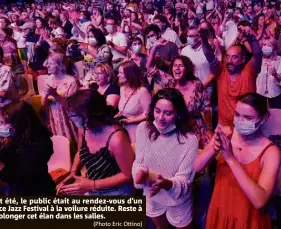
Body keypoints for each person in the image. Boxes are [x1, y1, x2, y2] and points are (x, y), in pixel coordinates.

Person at [195, 93, 281, 229]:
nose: (240, 121)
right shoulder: (226, 133)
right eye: (237, 115)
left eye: (248, 118)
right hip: (220, 209)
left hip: (248, 218)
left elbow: (260, 200)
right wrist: (213, 149)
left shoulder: (271, 152)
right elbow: (197, 167)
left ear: (263, 119)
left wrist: (230, 158)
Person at [132, 88, 198, 229]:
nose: (160, 118)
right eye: (157, 111)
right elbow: (139, 162)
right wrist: (139, 175)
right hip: (152, 194)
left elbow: (185, 181)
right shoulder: (143, 128)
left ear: (178, 114)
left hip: (178, 200)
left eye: (168, 113)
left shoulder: (189, 139)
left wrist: (166, 184)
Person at [58, 89, 134, 196]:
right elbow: (80, 151)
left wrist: (92, 184)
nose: (72, 120)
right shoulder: (84, 128)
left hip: (117, 191)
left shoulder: (117, 138)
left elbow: (128, 175)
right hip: (93, 187)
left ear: (90, 115)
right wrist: (73, 172)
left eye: (74, 116)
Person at [201, 25, 262, 134]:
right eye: (227, 57)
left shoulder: (249, 72)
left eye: (234, 57)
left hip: (245, 128)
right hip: (223, 127)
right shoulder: (221, 71)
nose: (229, 60)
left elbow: (257, 55)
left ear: (243, 60)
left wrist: (252, 38)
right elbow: (209, 55)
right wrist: (203, 39)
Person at [0, 100, 56, 196]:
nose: (1, 127)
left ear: (21, 123)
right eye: (0, 123)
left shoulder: (41, 142)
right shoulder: (7, 139)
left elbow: (21, 177)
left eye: (4, 122)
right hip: (15, 191)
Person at [42, 53, 79, 147]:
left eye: (50, 63)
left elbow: (71, 106)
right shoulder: (48, 79)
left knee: (72, 141)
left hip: (68, 116)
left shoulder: (71, 81)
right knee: (60, 142)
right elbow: (44, 104)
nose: (47, 65)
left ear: (60, 66)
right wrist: (45, 97)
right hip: (54, 115)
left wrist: (55, 94)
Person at [116, 61, 151, 143]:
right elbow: (124, 109)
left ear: (129, 74)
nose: (118, 75)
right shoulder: (122, 89)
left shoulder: (142, 91)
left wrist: (130, 121)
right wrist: (119, 115)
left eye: (121, 73)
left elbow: (148, 114)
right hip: (124, 129)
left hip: (137, 131)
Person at [257, 37, 281, 108]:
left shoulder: (279, 60)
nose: (266, 47)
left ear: (275, 48)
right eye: (264, 44)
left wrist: (275, 74)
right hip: (260, 93)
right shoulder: (258, 60)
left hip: (275, 94)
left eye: (269, 45)